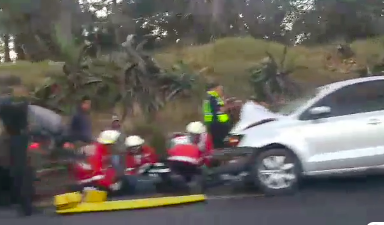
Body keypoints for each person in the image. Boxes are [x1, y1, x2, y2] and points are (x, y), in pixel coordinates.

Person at [203, 82, 230, 149]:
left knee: (216, 144)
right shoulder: (213, 98)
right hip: (218, 125)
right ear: (214, 89)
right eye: (220, 89)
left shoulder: (210, 98)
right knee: (221, 145)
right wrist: (226, 107)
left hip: (213, 124)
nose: (221, 91)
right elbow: (218, 110)